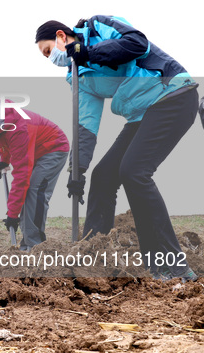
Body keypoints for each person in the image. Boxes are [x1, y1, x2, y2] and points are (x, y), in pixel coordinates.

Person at [35, 16, 199, 281]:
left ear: (61, 37)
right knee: (103, 177)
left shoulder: (98, 27)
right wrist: (76, 171)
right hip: (142, 115)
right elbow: (85, 126)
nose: (50, 58)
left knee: (134, 172)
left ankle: (174, 265)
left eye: (48, 50)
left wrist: (87, 52)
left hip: (172, 95)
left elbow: (137, 44)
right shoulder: (79, 76)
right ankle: (91, 260)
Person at [0, 90, 69, 251]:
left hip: (53, 147)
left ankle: (35, 246)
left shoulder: (17, 128)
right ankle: (27, 243)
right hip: (33, 148)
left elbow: (21, 177)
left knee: (35, 190)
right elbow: (2, 140)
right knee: (28, 191)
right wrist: (4, 160)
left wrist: (12, 214)